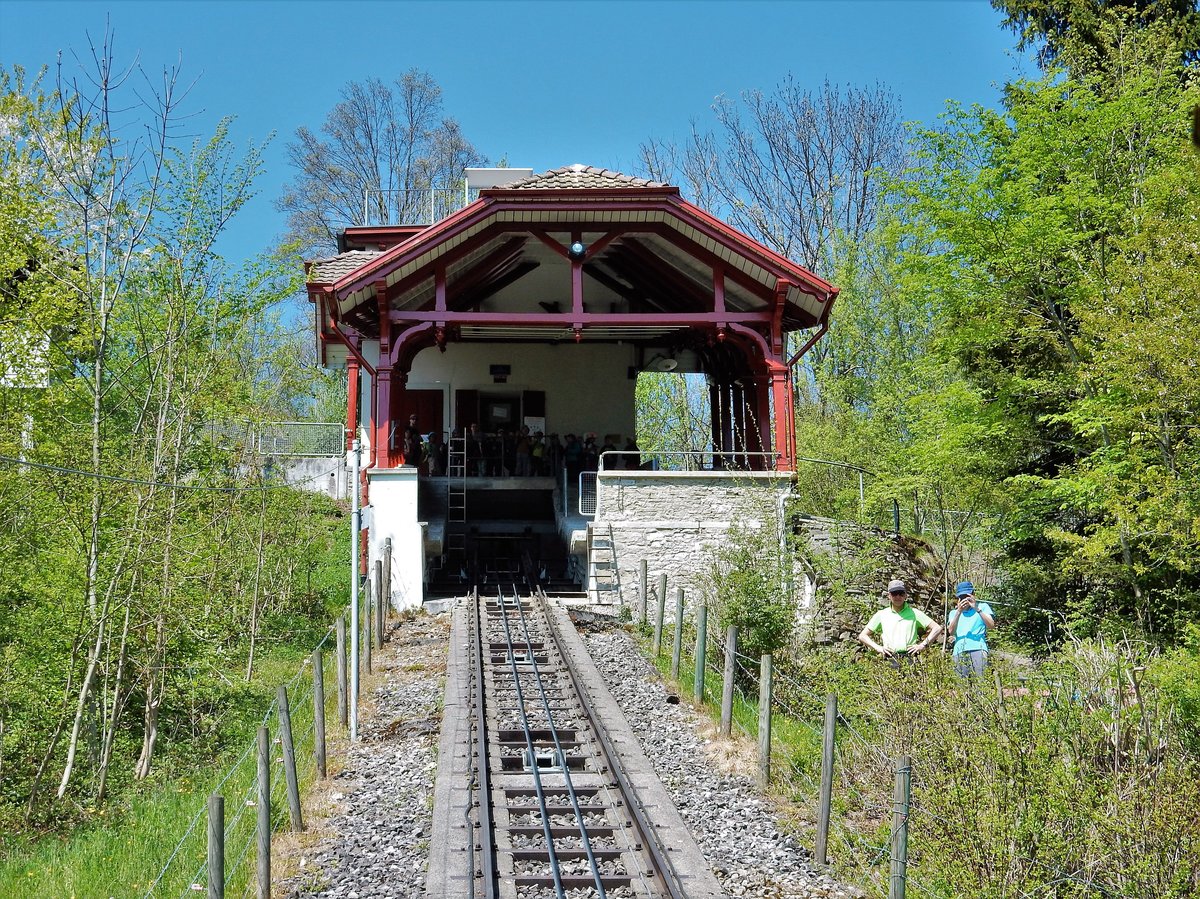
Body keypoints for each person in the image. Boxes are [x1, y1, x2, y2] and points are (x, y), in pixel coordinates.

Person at [858, 579, 943, 665]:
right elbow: (862, 635)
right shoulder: (881, 614)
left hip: (910, 657)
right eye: (894, 593)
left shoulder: (914, 613)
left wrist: (923, 645)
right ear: (889, 596)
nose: (898, 597)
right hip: (889, 657)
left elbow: (937, 628)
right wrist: (878, 648)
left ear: (905, 595)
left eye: (901, 593)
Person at [946, 580, 995, 677]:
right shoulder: (953, 613)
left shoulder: (983, 607)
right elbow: (951, 631)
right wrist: (959, 612)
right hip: (959, 650)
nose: (965, 599)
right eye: (962, 597)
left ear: (973, 594)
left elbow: (991, 625)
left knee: (980, 685)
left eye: (967, 596)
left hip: (978, 648)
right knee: (961, 686)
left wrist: (976, 608)